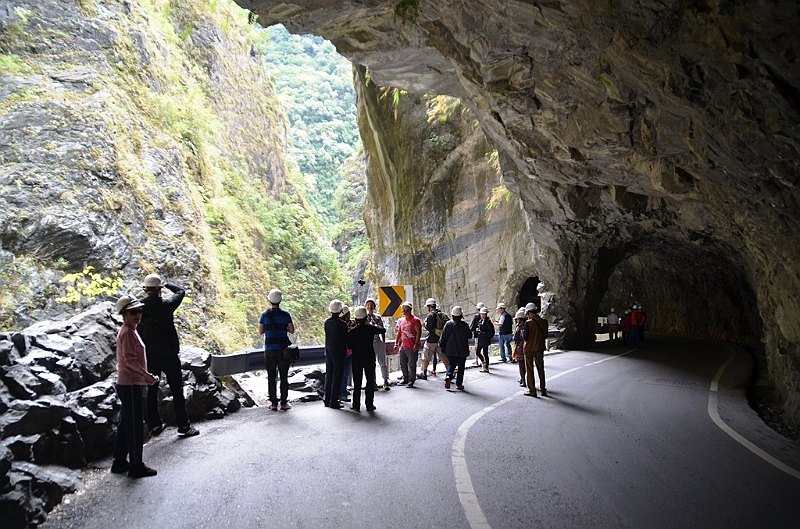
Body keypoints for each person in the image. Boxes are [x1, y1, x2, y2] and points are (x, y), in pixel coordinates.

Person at [137, 274, 198, 437]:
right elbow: (180, 291)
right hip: (169, 355)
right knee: (177, 390)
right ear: (159, 290)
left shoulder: (138, 309)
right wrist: (168, 284)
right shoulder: (166, 305)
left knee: (152, 390)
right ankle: (184, 426)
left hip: (149, 356)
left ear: (146, 290)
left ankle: (155, 425)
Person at [111, 295, 159, 478]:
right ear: (124, 314)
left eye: (139, 311)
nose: (138, 315)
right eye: (133, 312)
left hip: (128, 383)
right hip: (131, 384)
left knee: (125, 424)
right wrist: (146, 375)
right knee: (134, 426)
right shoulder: (128, 333)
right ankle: (136, 465)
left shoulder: (130, 330)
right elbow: (129, 360)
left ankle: (120, 461)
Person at [258, 288, 295, 411]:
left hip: (269, 350)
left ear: (269, 300)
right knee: (284, 376)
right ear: (280, 300)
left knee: (271, 377)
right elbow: (291, 330)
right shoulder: (286, 314)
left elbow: (260, 331)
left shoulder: (264, 315)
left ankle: (274, 403)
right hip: (283, 350)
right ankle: (284, 403)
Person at [347, 306, 386, 412]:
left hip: (357, 359)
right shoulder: (370, 329)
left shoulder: (352, 332)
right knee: (369, 381)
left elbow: (349, 346)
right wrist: (374, 324)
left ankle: (356, 405)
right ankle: (369, 405)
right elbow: (383, 329)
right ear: (365, 318)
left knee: (357, 382)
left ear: (355, 319)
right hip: (369, 357)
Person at [439, 306, 471, 390]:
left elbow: (443, 338)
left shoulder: (448, 324)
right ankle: (459, 384)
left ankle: (448, 375)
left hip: (450, 350)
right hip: (462, 350)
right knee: (461, 367)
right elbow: (470, 335)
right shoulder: (464, 325)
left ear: (452, 315)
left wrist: (442, 348)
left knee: (451, 365)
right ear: (461, 315)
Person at [324, 299, 348, 409]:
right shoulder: (343, 325)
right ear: (340, 311)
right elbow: (345, 339)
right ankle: (334, 401)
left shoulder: (326, 322)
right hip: (339, 353)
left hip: (329, 352)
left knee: (329, 375)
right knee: (337, 376)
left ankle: (326, 398)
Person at [523, 303, 548, 397]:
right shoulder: (544, 322)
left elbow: (526, 337)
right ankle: (543, 388)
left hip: (529, 349)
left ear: (529, 312)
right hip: (539, 348)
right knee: (541, 369)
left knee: (530, 370)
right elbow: (545, 335)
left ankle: (532, 390)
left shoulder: (528, 323)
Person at [394, 301, 422, 387]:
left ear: (410, 309)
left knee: (412, 364)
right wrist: (396, 343)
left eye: (405, 308)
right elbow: (399, 333)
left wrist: (416, 343)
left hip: (412, 346)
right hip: (403, 346)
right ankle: (405, 378)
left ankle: (411, 380)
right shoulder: (402, 321)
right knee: (402, 363)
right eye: (402, 308)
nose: (403, 309)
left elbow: (418, 332)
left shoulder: (415, 320)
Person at [365, 298, 390, 390]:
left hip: (378, 341)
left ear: (374, 307)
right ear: (365, 306)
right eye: (368, 305)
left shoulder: (378, 317)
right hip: (368, 342)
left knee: (383, 362)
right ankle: (373, 382)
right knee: (371, 363)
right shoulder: (364, 317)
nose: (370, 306)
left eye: (372, 305)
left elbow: (382, 330)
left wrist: (383, 342)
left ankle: (386, 381)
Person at [421, 298, 445, 379]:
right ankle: (449, 372)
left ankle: (424, 373)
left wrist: (424, 324)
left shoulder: (430, 315)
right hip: (440, 339)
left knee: (426, 357)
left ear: (429, 307)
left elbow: (428, 327)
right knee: (443, 356)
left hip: (431, 340)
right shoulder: (441, 314)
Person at [339, 305, 354, 403]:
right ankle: (342, 393)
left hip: (349, 351)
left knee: (346, 373)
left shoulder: (350, 323)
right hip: (343, 351)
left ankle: (343, 390)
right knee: (343, 373)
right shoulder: (340, 325)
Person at [475, 307, 494, 373]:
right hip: (480, 339)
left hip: (485, 340)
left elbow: (491, 333)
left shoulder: (488, 322)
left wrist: (482, 333)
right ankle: (484, 362)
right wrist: (477, 330)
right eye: (481, 314)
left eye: (484, 314)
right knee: (478, 352)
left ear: (486, 314)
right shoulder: (480, 321)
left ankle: (486, 367)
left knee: (485, 353)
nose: (482, 316)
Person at [512, 309, 527, 387]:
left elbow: (515, 338)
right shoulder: (528, 326)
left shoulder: (520, 327)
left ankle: (523, 380)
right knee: (526, 365)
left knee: (521, 365)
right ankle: (523, 379)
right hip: (527, 347)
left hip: (521, 349)